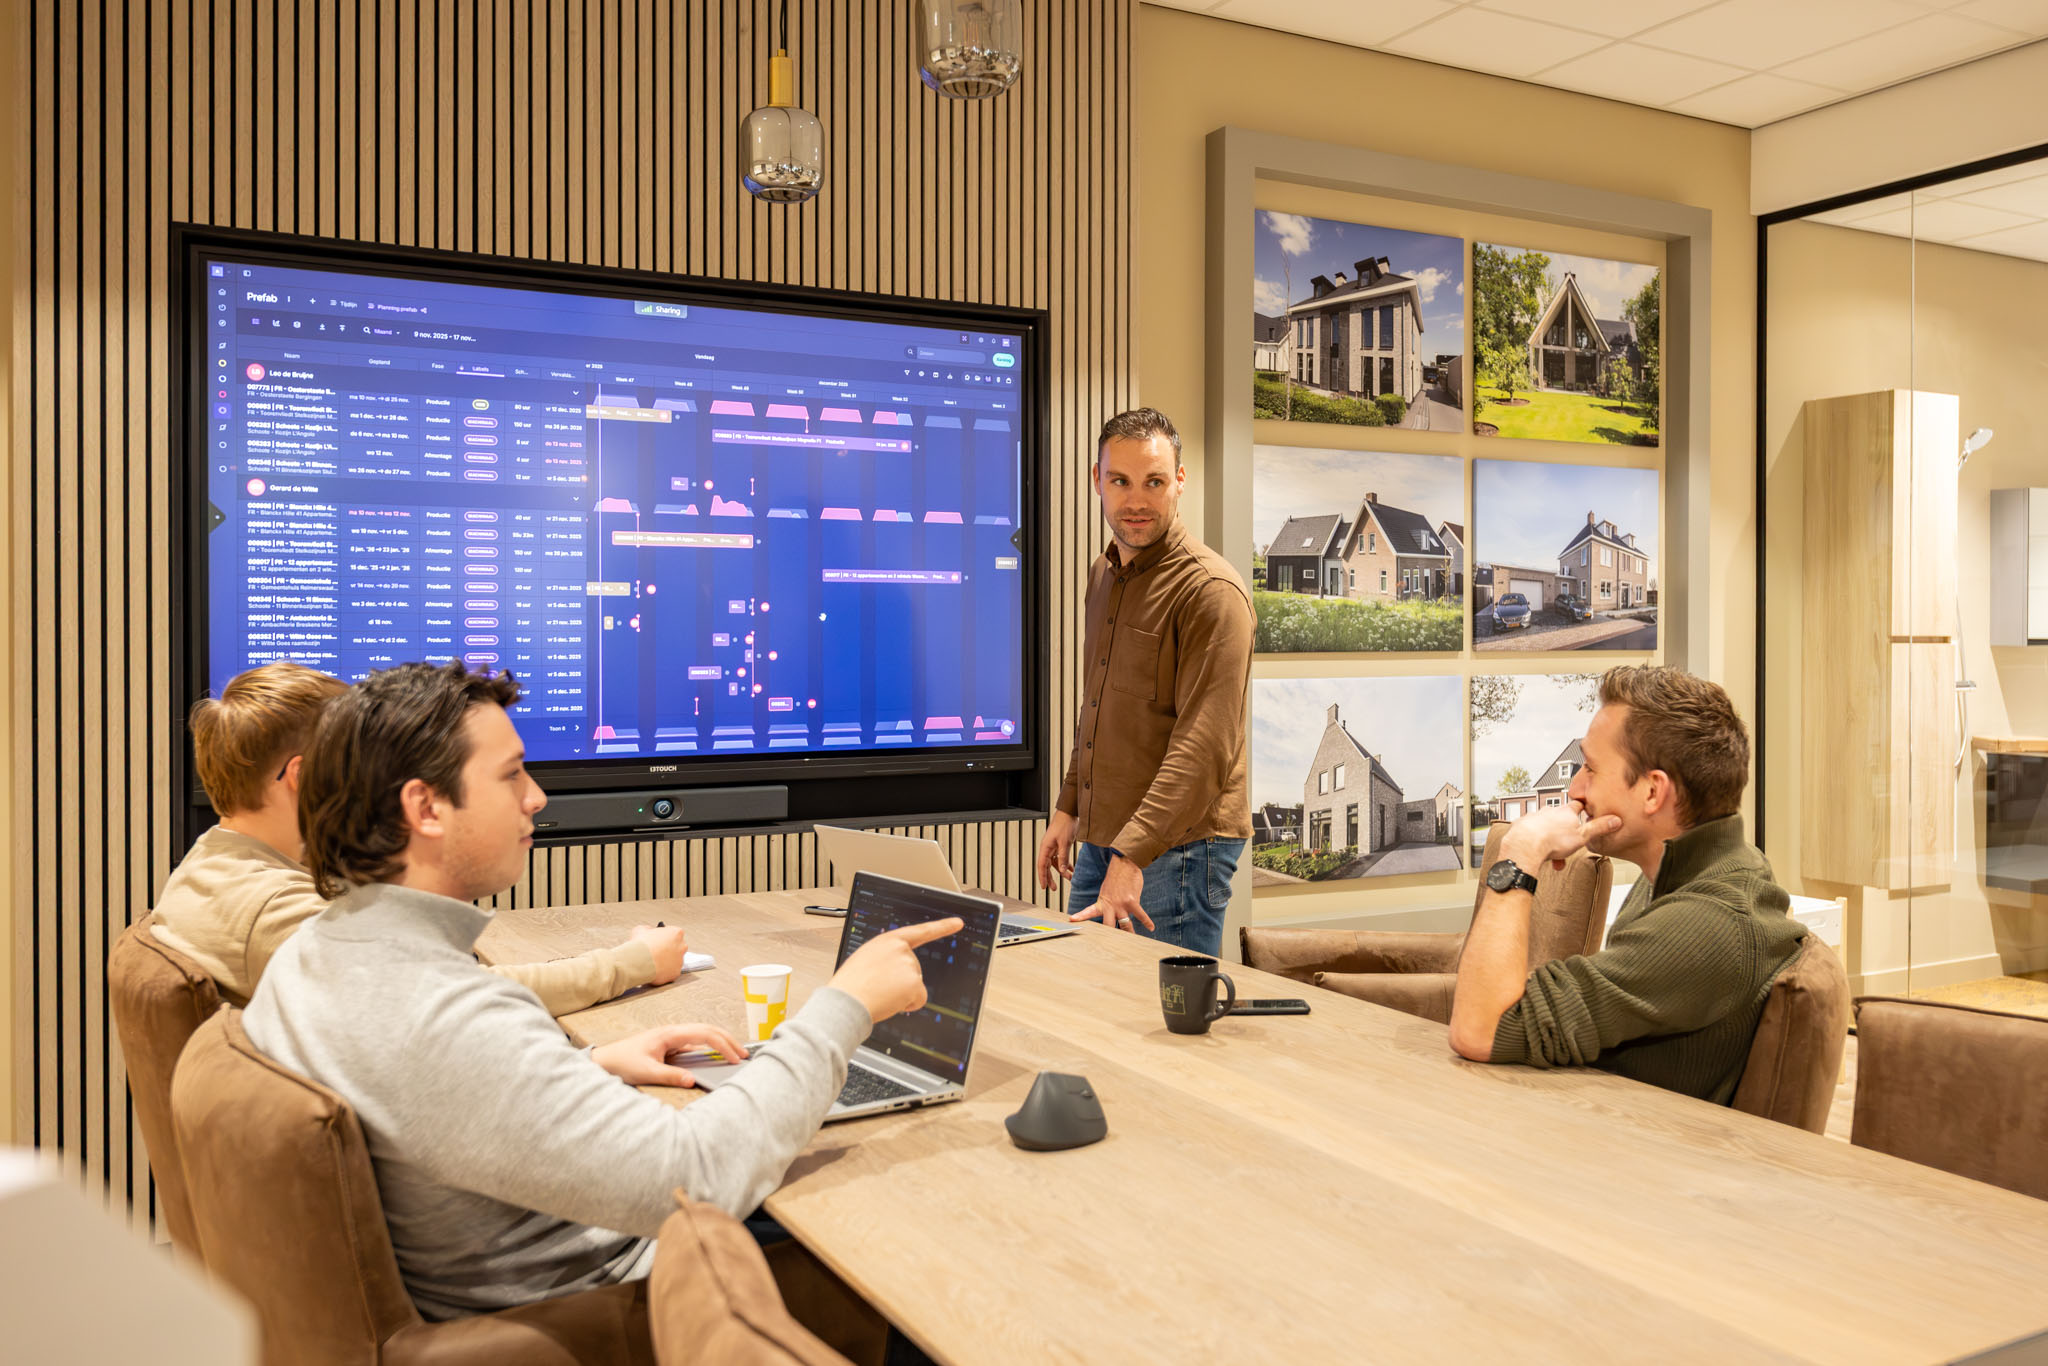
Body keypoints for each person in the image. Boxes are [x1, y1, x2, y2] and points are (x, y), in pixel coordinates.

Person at [242, 660, 959, 1320]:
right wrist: (846, 1005)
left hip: (540, 1256)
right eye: (512, 775)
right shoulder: (443, 1011)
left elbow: (438, 1094)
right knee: (917, 1233)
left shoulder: (317, 952)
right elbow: (696, 1177)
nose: (537, 797)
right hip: (616, 1303)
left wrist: (587, 1069)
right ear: (425, 808)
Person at [152, 661, 684, 1014]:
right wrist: (632, 962)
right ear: (304, 776)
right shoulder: (274, 915)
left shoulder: (211, 868)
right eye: (356, 758)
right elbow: (461, 1003)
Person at [1448, 665, 1807, 1104]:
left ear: (1653, 792)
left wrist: (1521, 850)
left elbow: (1479, 1029)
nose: (1575, 789)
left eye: (1591, 769)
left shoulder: (1705, 925)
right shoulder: (1699, 871)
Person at [1034, 408, 1254, 956]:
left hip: (1177, 851)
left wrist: (1132, 858)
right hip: (1104, 836)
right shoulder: (1104, 574)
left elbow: (1205, 748)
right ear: (1097, 481)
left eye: (1154, 481)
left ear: (1180, 481)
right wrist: (1068, 807)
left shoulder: (1212, 593)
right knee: (1088, 1004)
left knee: (1162, 1027)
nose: (1136, 501)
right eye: (1121, 481)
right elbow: (1100, 710)